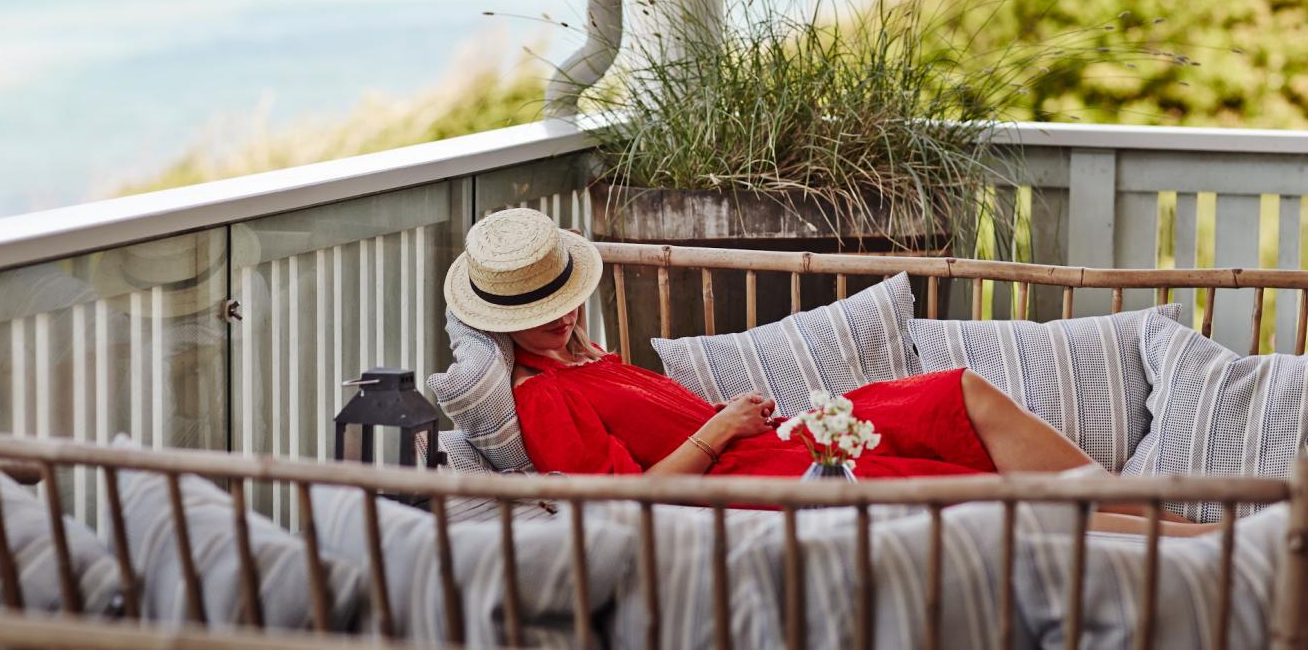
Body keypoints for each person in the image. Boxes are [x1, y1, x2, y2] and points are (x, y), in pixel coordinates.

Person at [444, 208, 1213, 535]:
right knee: (970, 497)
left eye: (562, 300)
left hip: (780, 441)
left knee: (955, 391)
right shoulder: (542, 397)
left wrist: (737, 422)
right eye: (537, 313)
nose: (561, 318)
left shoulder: (585, 356)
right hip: (755, 485)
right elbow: (621, 502)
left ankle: (1165, 520)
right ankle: (1190, 541)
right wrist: (719, 429)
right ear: (497, 319)